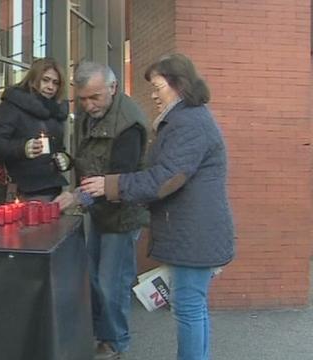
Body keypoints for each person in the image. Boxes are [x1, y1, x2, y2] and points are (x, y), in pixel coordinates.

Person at [62, 53, 235, 360]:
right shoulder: (184, 119)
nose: (153, 94)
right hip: (191, 230)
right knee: (192, 307)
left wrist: (108, 185)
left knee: (188, 308)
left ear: (178, 85)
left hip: (194, 232)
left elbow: (165, 178)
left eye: (158, 86)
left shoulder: (188, 123)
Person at [54, 61, 150, 360]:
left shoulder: (129, 125)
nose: (88, 105)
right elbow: (90, 158)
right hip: (98, 211)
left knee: (111, 284)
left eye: (94, 97)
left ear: (113, 87)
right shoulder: (89, 115)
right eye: (82, 98)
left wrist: (76, 197)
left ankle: (115, 343)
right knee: (95, 279)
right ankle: (101, 337)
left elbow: (118, 181)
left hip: (121, 215)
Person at [0, 57, 70, 203]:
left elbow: (58, 149)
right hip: (23, 191)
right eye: (46, 80)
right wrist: (22, 148)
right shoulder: (13, 106)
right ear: (33, 80)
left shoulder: (55, 112)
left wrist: (67, 160)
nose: (50, 87)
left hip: (54, 190)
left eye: (55, 83)